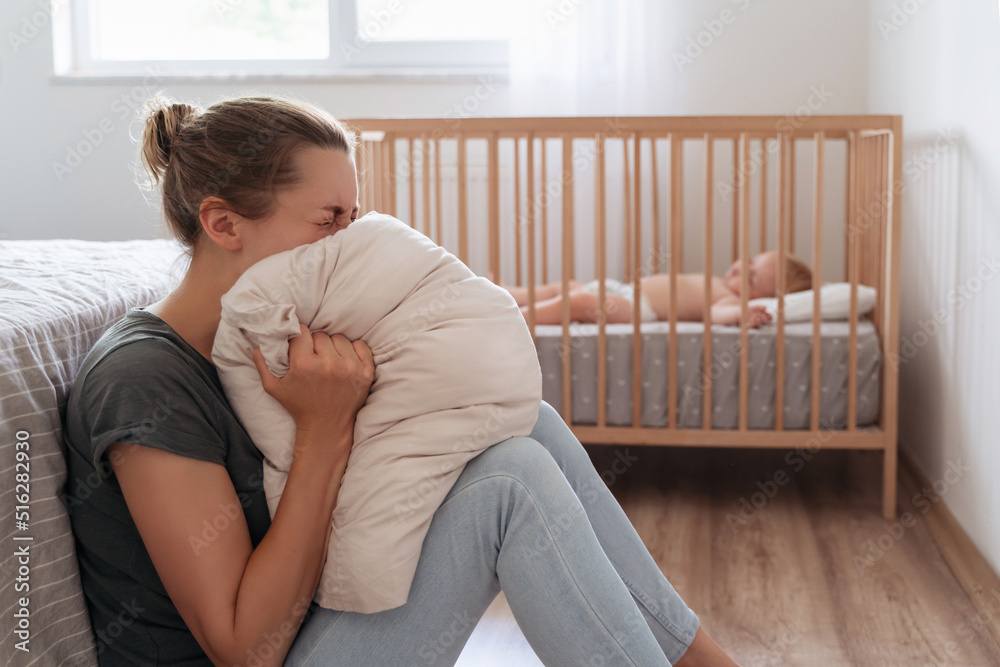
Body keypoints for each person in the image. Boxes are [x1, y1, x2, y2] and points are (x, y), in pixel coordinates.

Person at [62, 94, 742, 666]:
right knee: (510, 485)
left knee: (524, 423)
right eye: (327, 221)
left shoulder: (286, 340)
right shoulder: (144, 380)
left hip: (313, 629)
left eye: (352, 221)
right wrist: (324, 430)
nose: (347, 243)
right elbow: (243, 648)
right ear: (223, 223)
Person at [504, 251, 812, 328]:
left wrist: (742, 314)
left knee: (578, 301)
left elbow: (717, 314)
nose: (743, 269)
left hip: (640, 309)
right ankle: (508, 294)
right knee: (566, 287)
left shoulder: (726, 297)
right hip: (626, 290)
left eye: (753, 279)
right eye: (751, 262)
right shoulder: (721, 283)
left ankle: (518, 317)